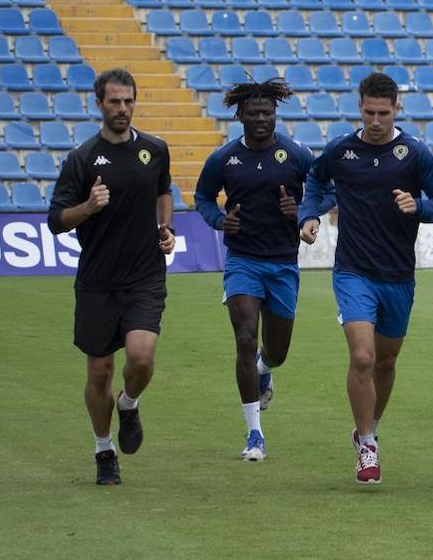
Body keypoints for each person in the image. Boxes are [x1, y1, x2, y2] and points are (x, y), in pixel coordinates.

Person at [298, 72, 433, 485]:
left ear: (397, 109)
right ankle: (368, 445)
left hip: (399, 275)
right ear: (359, 106)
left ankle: (366, 425)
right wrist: (309, 215)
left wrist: (417, 206)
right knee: (363, 356)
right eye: (369, 112)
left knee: (386, 360)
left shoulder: (414, 154)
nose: (375, 120)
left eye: (384, 113)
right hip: (353, 271)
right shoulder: (341, 150)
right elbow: (314, 182)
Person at [47, 68, 175, 485]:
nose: (122, 109)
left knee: (140, 357)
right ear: (99, 103)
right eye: (115, 102)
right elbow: (55, 221)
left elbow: (163, 191)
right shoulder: (81, 159)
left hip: (144, 276)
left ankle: (130, 403)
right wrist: (88, 207)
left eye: (128, 101)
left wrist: (166, 228)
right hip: (98, 280)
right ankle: (104, 450)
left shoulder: (154, 150)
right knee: (99, 370)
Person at [194, 78, 314, 462]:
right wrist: (218, 220)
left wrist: (303, 212)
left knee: (276, 351)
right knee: (245, 338)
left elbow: (324, 187)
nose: (261, 118)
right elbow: (203, 197)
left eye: (268, 112)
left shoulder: (296, 154)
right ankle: (254, 434)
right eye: (254, 113)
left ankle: (266, 368)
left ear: (275, 115)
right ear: (240, 116)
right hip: (242, 260)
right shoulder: (224, 159)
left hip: (283, 262)